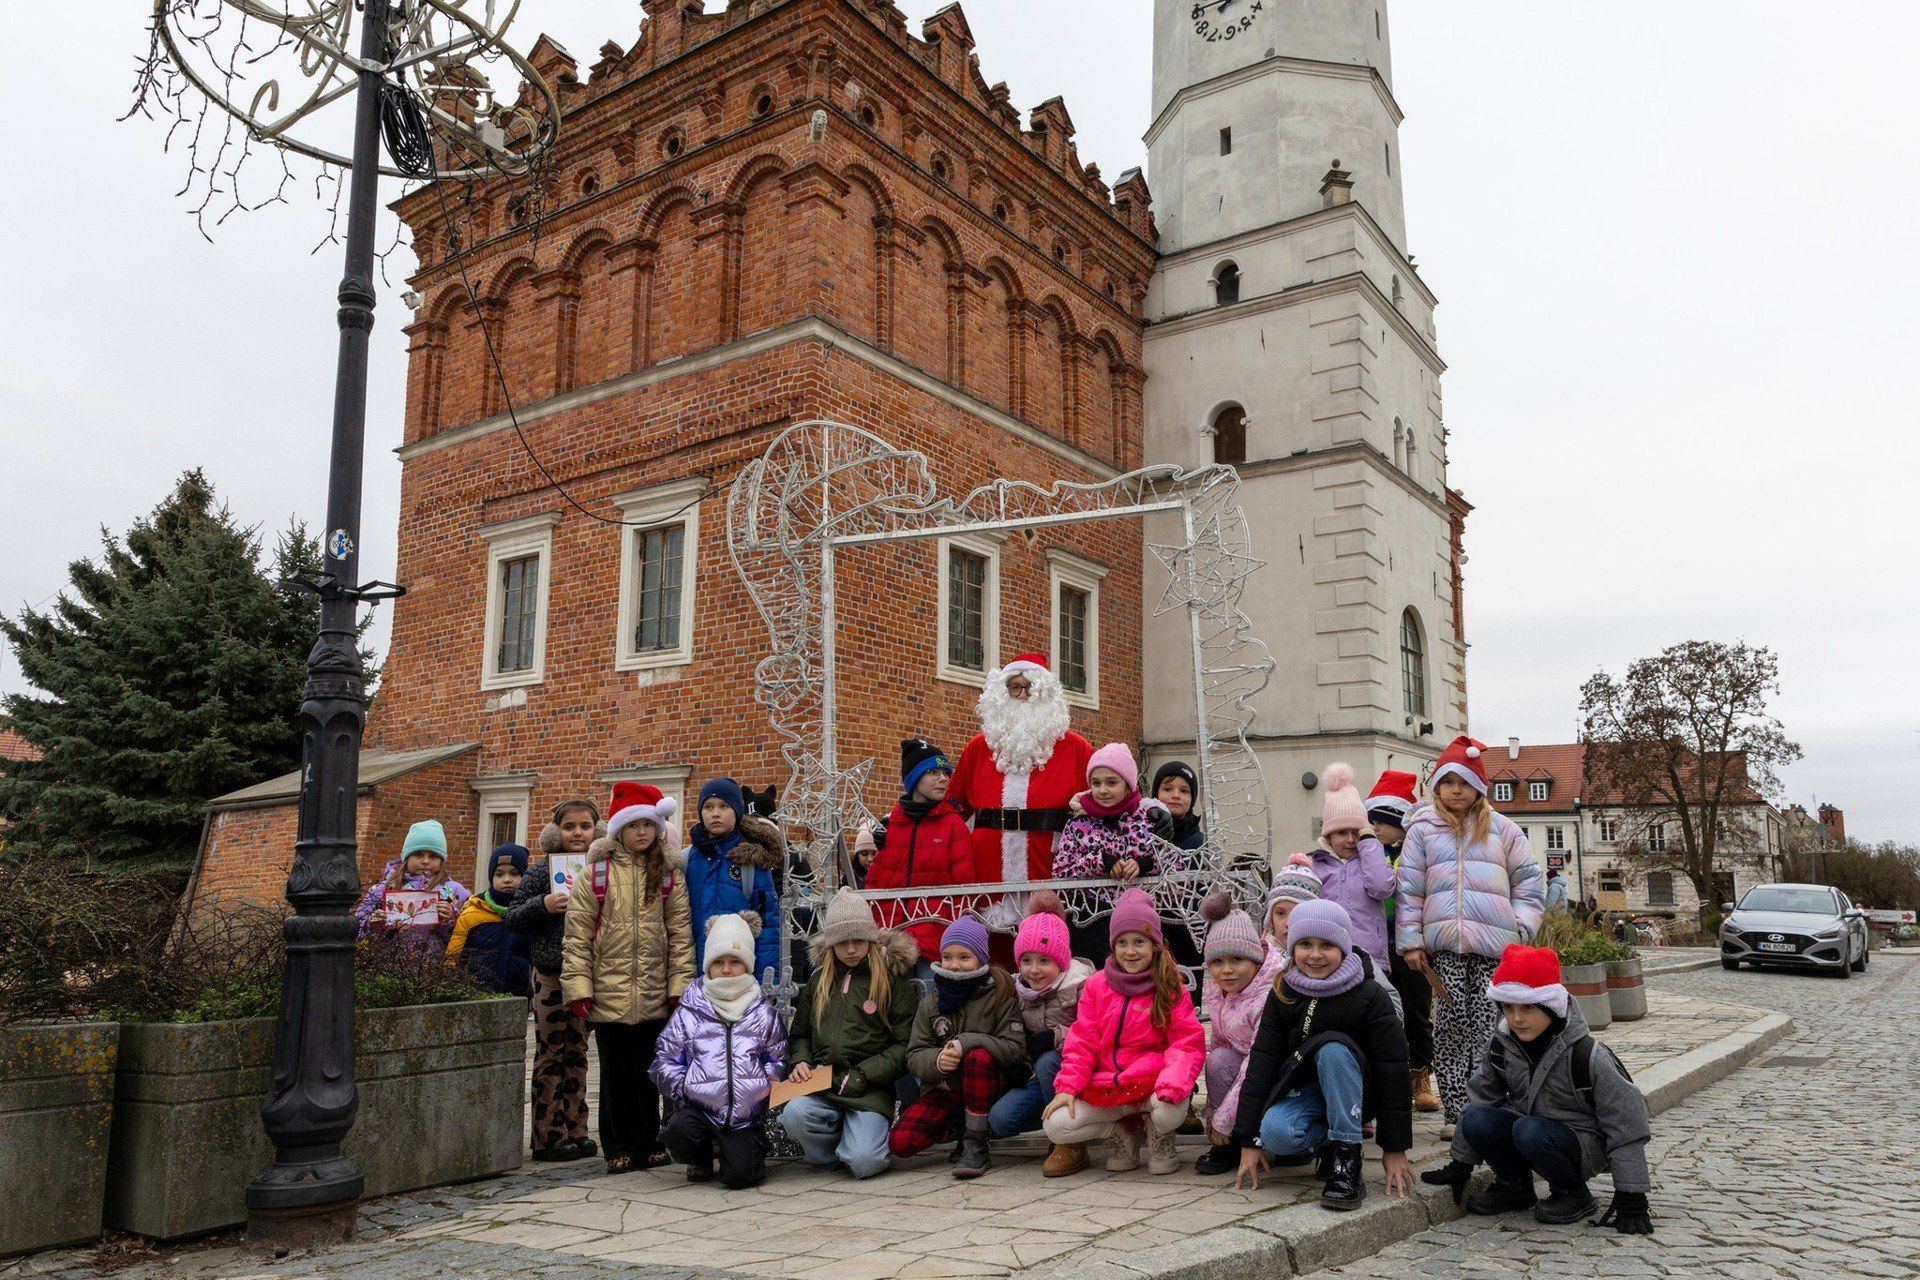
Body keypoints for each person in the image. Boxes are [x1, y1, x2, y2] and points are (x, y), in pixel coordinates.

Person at [1422, 944, 1654, 1234]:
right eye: (1509, 1007)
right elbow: (1480, 1098)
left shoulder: (1588, 1054)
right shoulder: (1501, 1045)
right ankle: (1514, 1186)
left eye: (1528, 1007)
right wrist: (1461, 1165)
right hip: (1530, 1131)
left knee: (1528, 1131)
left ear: (1550, 1005)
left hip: (1579, 1143)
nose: (1517, 1018)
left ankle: (1573, 1193)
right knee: (1476, 1119)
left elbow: (1626, 1121)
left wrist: (1632, 1195)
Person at [1396, 736, 1546, 1136]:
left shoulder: (1502, 829)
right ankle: (1456, 1113)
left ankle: (1485, 1108)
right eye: (1447, 782)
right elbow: (1409, 889)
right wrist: (1411, 940)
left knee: (1487, 1028)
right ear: (1437, 788)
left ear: (1478, 787)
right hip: (1443, 950)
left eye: (1463, 782)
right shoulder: (1422, 831)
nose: (1455, 790)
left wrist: (1521, 929)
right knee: (1448, 1027)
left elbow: (1529, 882)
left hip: (1493, 950)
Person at [1232, 900, 1416, 1212]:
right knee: (1276, 1134)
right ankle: (1329, 1146)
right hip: (1305, 1089)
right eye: (1305, 944)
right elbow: (1263, 1060)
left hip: (1356, 1092)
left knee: (1332, 1049)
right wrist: (1249, 1139)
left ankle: (1346, 1157)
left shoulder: (1370, 995)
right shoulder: (1284, 993)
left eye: (1327, 945)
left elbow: (1392, 1069)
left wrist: (1394, 1148)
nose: (1315, 955)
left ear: (1344, 948)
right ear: (1293, 948)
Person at [561, 782, 694, 1174]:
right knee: (616, 1076)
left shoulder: (669, 876)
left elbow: (680, 936)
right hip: (609, 992)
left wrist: (678, 988)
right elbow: (577, 938)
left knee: (648, 1073)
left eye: (648, 826)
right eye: (633, 825)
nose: (641, 833)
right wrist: (579, 989)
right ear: (619, 829)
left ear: (657, 829)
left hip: (653, 992)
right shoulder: (595, 876)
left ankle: (649, 1141)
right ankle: (617, 1145)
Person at [1041, 888, 1205, 1177]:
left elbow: (1186, 1043)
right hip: (1110, 1089)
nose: (1130, 951)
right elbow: (1082, 1043)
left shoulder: (1168, 985)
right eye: (1123, 943)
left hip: (1151, 1084)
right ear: (1113, 945)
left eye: (1139, 942)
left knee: (1169, 1109)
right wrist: (1067, 1088)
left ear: (1154, 944)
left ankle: (1159, 1134)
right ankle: (1122, 1131)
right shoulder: (1096, 986)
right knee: (1056, 1124)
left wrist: (1172, 1084)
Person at [949, 654, 1094, 934]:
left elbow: (1110, 792)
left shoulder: (1075, 748)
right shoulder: (979, 748)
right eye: (1014, 687)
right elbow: (952, 809)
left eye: (1030, 688)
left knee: (1045, 953)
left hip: (1048, 874)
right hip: (987, 877)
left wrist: (1149, 809)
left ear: (1045, 694)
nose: (1022, 695)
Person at [780, 889, 919, 1179]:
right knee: (794, 1115)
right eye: (843, 942)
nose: (851, 949)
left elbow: (903, 1043)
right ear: (831, 943)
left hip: (868, 1089)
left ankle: (858, 1144)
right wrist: (800, 1061)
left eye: (858, 940)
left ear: (870, 938)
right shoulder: (820, 979)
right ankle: (828, 1154)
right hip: (823, 1083)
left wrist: (864, 1074)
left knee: (866, 1163)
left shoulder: (891, 979)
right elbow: (801, 1033)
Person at [651, 913, 787, 1188]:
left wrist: (763, 1085)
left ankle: (746, 1149)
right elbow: (663, 1061)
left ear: (747, 965)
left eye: (735, 961)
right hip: (699, 1108)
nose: (726, 970)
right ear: (708, 966)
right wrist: (684, 1087)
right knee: (679, 1132)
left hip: (743, 1115)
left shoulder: (763, 1013)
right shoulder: (689, 1012)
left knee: (740, 1177)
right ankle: (698, 1156)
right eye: (718, 962)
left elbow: (778, 1057)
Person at [890, 916, 1027, 1177]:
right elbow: (915, 1053)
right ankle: (957, 1126)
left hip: (988, 1088)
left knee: (976, 1057)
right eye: (948, 957)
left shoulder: (999, 995)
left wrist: (966, 1042)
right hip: (947, 1088)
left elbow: (1014, 1049)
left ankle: (975, 1142)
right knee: (902, 1143)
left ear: (980, 959)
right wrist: (938, 1061)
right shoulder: (930, 1003)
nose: (954, 965)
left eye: (964, 957)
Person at [508, 798, 600, 1162]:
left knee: (577, 1050)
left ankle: (577, 1127)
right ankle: (548, 1134)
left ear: (596, 830)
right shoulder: (539, 871)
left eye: (584, 827)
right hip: (550, 972)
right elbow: (514, 916)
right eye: (569, 827)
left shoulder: (600, 868)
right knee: (550, 1052)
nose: (577, 833)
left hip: (586, 973)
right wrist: (543, 905)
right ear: (556, 832)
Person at [1052, 743, 1186, 960]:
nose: (1103, 790)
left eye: (1112, 782)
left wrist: (1145, 864)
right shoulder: (1077, 825)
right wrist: (1099, 862)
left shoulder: (1148, 821)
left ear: (1128, 785)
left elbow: (1178, 868)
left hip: (1141, 926)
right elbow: (1060, 873)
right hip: (1091, 924)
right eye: (1096, 783)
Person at [864, 739, 980, 986]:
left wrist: (955, 936)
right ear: (914, 778)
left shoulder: (953, 825)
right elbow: (875, 883)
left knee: (928, 1003)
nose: (943, 779)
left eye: (946, 773)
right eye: (933, 772)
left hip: (935, 936)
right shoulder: (892, 825)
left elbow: (964, 888)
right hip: (891, 936)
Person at [988, 891, 1093, 1149]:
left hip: (1078, 1073)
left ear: (1060, 960)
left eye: (1044, 961)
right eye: (1027, 961)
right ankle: (1059, 1122)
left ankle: (1067, 1140)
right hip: (1040, 1078)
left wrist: (1056, 1036)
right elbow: (1014, 1034)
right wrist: (1020, 1063)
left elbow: (1094, 1031)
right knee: (1000, 1120)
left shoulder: (1080, 985)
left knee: (1048, 1060)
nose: (1034, 970)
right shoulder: (1018, 991)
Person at [1193, 892, 1284, 1176]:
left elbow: (1255, 1066)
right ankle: (1228, 1145)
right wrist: (1213, 1117)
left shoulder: (1268, 996)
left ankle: (1252, 1136)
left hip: (1275, 1071)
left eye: (1236, 960)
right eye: (1218, 962)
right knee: (1218, 1059)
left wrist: (1224, 1119)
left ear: (1255, 959)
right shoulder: (1221, 989)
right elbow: (1220, 1045)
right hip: (1246, 1071)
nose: (1227, 970)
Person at [1367, 771, 1440, 1115]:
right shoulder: (1367, 853)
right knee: (1382, 1014)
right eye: (1372, 821)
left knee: (1417, 1013)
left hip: (1412, 946)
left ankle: (1420, 1075)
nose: (1377, 828)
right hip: (1377, 947)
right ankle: (1387, 1078)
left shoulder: (1415, 852)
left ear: (1402, 823)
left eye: (1383, 822)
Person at [1307, 764, 1399, 1015]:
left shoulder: (1370, 860)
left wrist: (1370, 843)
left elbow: (1382, 888)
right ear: (1327, 836)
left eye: (1355, 832)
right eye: (1341, 833)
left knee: (1378, 1018)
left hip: (1369, 959)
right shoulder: (1316, 866)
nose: (1349, 840)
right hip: (1328, 959)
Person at [683, 778, 783, 981]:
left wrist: (766, 980)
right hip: (697, 975)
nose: (716, 813)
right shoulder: (687, 860)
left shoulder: (751, 860)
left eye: (724, 806)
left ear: (737, 811)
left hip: (739, 974)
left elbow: (767, 925)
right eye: (708, 807)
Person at [354, 820, 470, 949]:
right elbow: (355, 929)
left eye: (433, 856)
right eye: (418, 854)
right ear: (406, 857)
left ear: (442, 861)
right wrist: (372, 924)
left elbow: (466, 938)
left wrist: (450, 919)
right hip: (387, 965)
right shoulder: (381, 890)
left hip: (435, 966)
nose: (425, 861)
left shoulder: (455, 892)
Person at [447, 842, 533, 995]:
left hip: (521, 998)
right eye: (499, 874)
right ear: (491, 877)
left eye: (514, 873)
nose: (507, 879)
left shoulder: (531, 914)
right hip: (479, 996)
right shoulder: (472, 914)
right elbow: (453, 958)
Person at [1265, 853, 1323, 948]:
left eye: (1297, 913)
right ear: (1270, 918)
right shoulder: (1260, 957)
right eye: (1280, 913)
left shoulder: (1321, 958)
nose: (1288, 923)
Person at [1151, 761, 1207, 852]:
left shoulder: (1201, 845)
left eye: (1184, 791)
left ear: (1192, 799)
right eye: (1168, 789)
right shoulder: (1139, 834)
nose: (1176, 795)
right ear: (1156, 795)